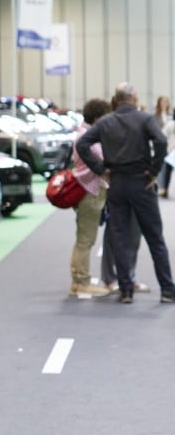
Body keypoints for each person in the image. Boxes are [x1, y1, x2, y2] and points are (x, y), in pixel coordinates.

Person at [74, 83, 175, 304]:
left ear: (116, 99)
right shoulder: (144, 119)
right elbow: (161, 141)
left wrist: (101, 169)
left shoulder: (105, 122)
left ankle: (125, 290)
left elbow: (82, 145)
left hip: (117, 184)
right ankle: (167, 290)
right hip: (142, 183)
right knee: (155, 237)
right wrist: (153, 172)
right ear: (133, 97)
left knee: (119, 238)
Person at [69, 98, 112, 297]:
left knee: (84, 237)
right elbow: (105, 160)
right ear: (97, 118)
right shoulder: (87, 137)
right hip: (90, 191)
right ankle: (81, 282)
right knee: (86, 239)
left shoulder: (83, 133)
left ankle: (80, 279)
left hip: (88, 189)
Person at [155, 95, 175, 198]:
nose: (164, 104)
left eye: (166, 102)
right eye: (163, 102)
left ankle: (164, 188)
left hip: (171, 146)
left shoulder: (170, 116)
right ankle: (164, 188)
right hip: (166, 147)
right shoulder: (155, 116)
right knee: (166, 169)